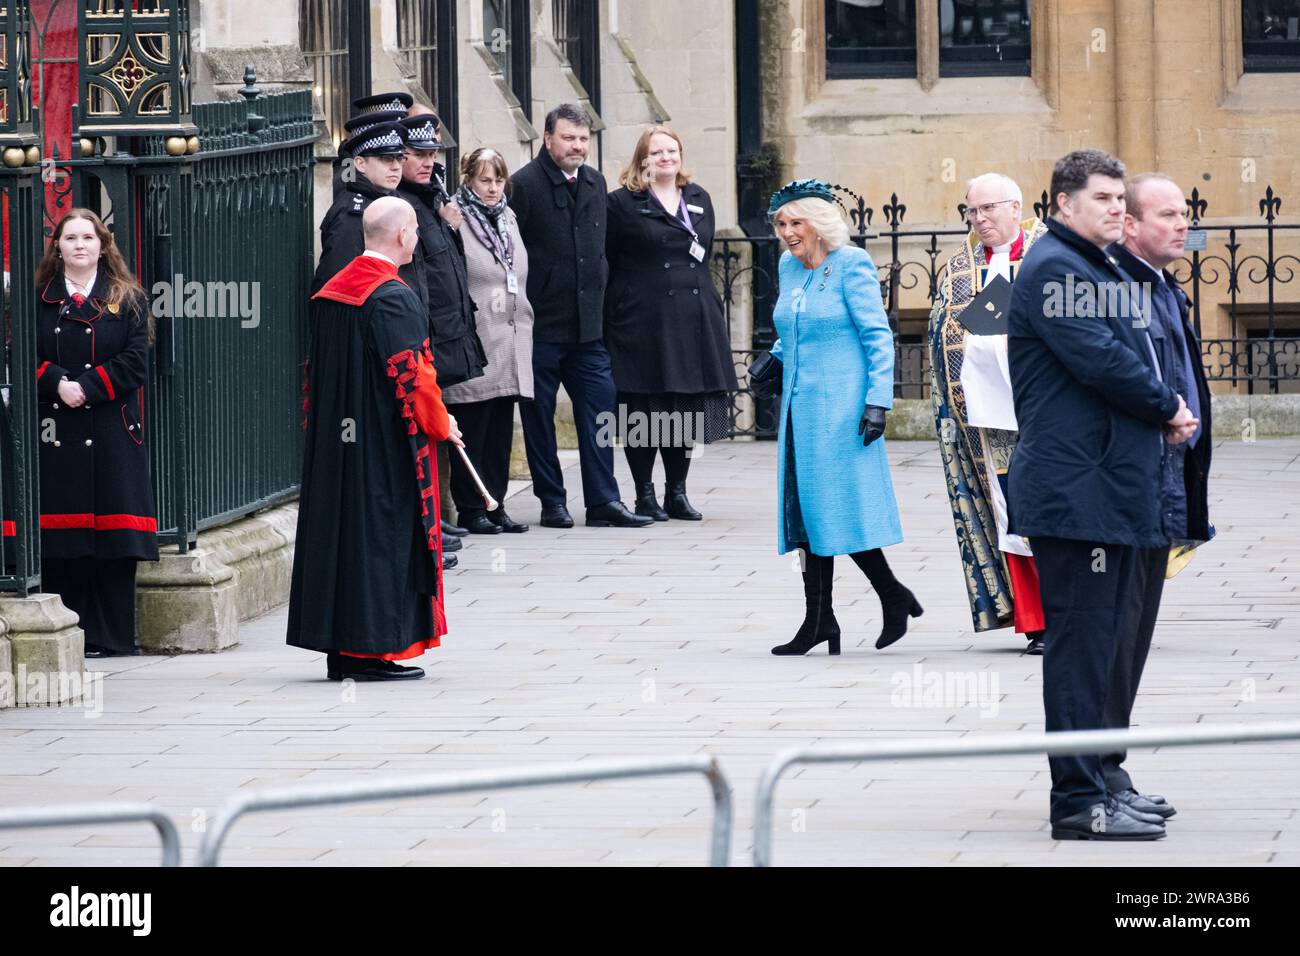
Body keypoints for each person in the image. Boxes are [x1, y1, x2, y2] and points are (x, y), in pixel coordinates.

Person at [1007, 150, 1201, 840]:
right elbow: (1102, 358)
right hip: (1076, 492)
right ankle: (1078, 804)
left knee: (1110, 646)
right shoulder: (1057, 266)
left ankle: (1106, 780)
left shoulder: (1097, 264)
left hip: (1110, 489)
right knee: (1083, 651)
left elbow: (1141, 346)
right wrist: (1167, 406)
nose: (1117, 208)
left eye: (1122, 198)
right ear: (1063, 203)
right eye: (1102, 198)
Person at [287, 197, 464, 682]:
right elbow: (413, 376)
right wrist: (441, 423)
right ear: (404, 235)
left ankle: (343, 651)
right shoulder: (392, 295)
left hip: (335, 445)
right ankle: (371, 651)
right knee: (379, 542)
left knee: (343, 541)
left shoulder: (331, 292)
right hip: (384, 446)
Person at [765, 180, 921, 656]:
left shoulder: (850, 265)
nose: (788, 232)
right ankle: (822, 618)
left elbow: (877, 336)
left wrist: (879, 402)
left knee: (833, 509)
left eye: (797, 222)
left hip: (843, 409)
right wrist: (772, 357)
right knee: (808, 514)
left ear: (819, 223)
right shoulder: (789, 268)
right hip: (800, 407)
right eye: (782, 224)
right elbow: (794, 324)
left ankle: (888, 596)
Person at [1106, 171, 1213, 804]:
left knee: (1132, 642)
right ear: (1130, 226)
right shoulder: (1117, 290)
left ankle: (1112, 773)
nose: (1183, 225)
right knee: (1112, 646)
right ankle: (1099, 780)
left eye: (1185, 214)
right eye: (1168, 215)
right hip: (1130, 495)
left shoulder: (1160, 286)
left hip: (1163, 491)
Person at [509, 103, 652, 529]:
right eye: (568, 138)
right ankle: (552, 501)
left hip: (588, 330)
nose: (577, 146)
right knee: (539, 419)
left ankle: (603, 501)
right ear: (547, 139)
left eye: (583, 139)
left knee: (600, 410)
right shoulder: (523, 186)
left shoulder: (595, 182)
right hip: (540, 328)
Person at [928, 173, 1048, 654]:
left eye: (989, 209)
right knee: (1011, 513)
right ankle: (1037, 619)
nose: (979, 220)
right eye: (971, 212)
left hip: (1047, 414)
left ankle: (1077, 610)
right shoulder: (959, 268)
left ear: (1016, 207)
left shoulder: (1049, 255)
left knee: (1056, 513)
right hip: (989, 421)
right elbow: (944, 337)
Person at [34, 209, 158, 658]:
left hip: (111, 427)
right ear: (58, 247)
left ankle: (112, 636)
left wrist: (86, 388)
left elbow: (135, 361)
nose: (80, 245)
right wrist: (55, 383)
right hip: (55, 429)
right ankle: (73, 631)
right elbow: (18, 354)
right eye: (71, 238)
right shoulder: (39, 298)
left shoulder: (129, 298)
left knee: (111, 537)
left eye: (89, 237)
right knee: (64, 536)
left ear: (103, 245)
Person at [605, 127, 738, 521]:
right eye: (657, 151)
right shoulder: (622, 203)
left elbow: (704, 252)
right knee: (643, 409)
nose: (666, 157)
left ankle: (676, 493)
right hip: (642, 319)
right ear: (642, 159)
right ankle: (644, 495)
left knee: (684, 407)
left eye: (672, 150)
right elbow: (608, 259)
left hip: (693, 317)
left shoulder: (698, 198)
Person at [396, 110, 488, 557]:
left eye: (432, 153)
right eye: (418, 154)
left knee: (437, 430)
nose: (427, 161)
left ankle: (439, 515)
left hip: (448, 334)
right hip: (425, 339)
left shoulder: (433, 198)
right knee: (425, 430)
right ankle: (432, 518)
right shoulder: (403, 206)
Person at [442, 148, 534, 534]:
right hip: (477, 341)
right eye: (484, 180)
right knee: (473, 430)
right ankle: (471, 507)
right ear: (468, 179)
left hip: (511, 339)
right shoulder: (455, 219)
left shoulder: (508, 217)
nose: (493, 188)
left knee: (500, 431)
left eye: (498, 180)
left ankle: (497, 504)